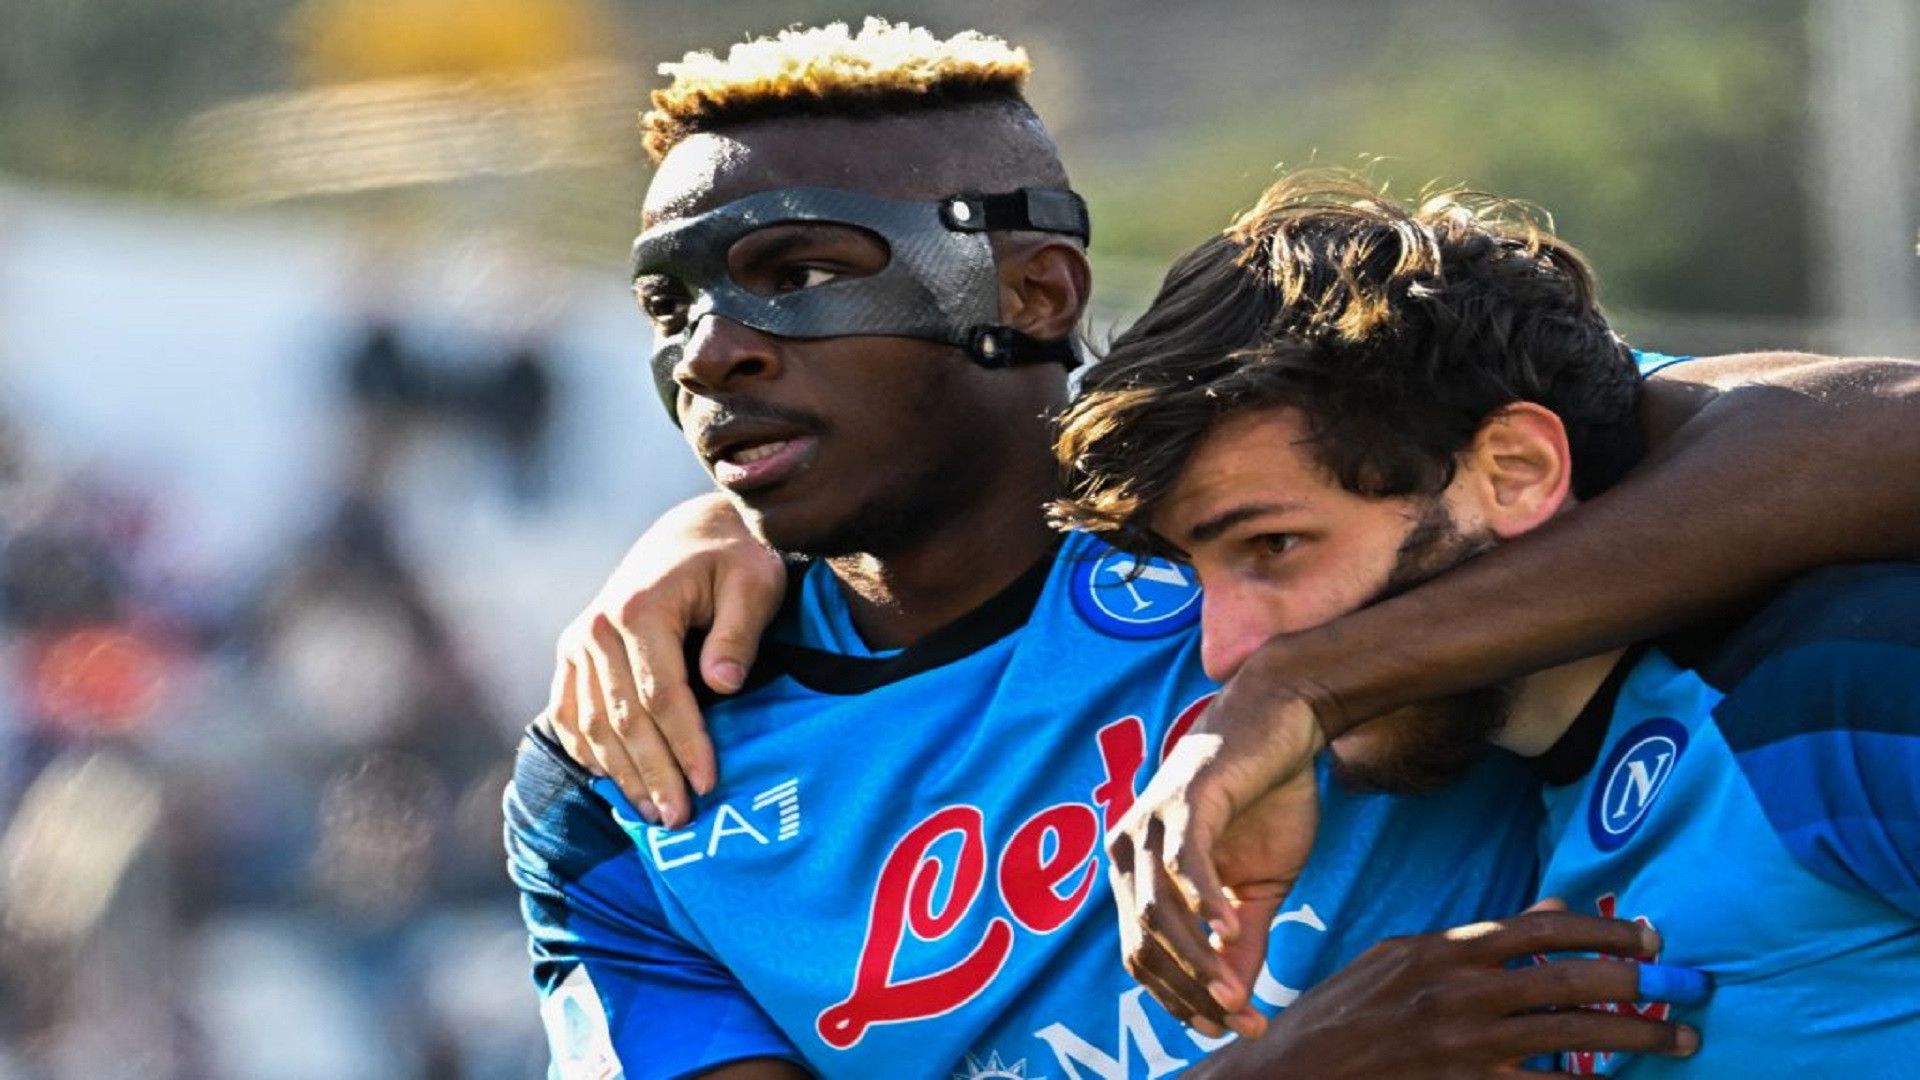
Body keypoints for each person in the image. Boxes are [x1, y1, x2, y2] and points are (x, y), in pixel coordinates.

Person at [514, 20, 1920, 1079]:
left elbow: (1858, 435)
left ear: (1035, 292)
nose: (711, 351)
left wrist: (1305, 690)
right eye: (666, 305)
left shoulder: (1283, 457)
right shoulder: (622, 767)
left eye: (803, 274)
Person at [1047, 174, 1920, 1075]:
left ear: (1515, 471)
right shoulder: (1542, 810)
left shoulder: (1835, 694)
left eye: (1274, 545)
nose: (1224, 653)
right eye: (1197, 574)